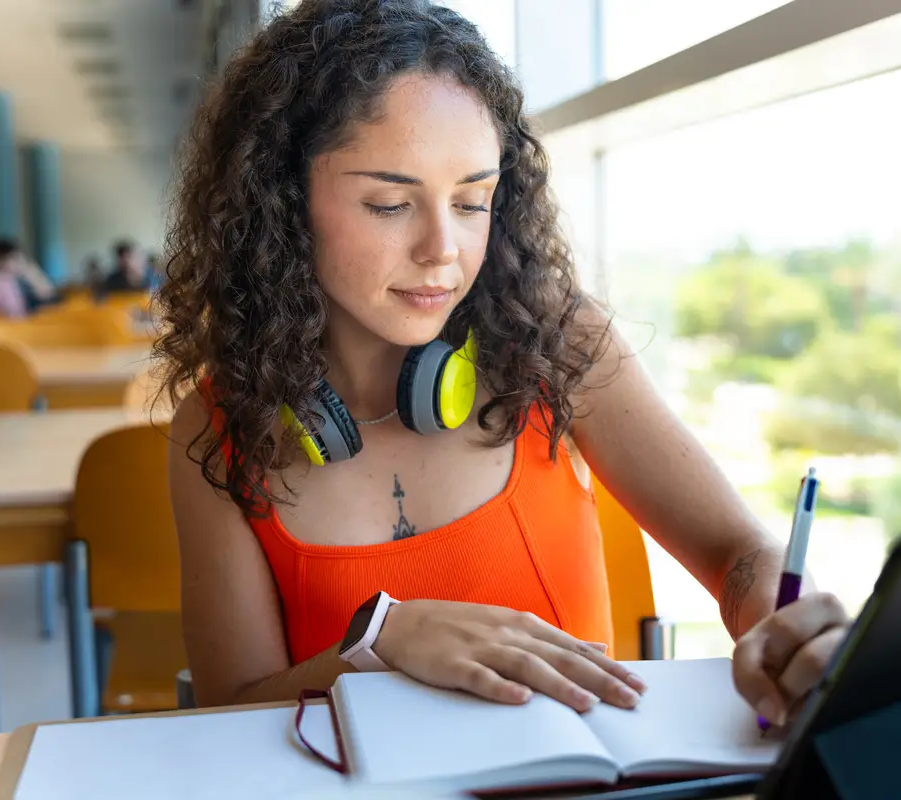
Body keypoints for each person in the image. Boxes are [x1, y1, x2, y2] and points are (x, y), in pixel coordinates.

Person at [157, 0, 850, 729]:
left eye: (472, 200)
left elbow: (740, 555)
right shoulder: (219, 424)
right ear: (283, 201)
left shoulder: (556, 343)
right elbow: (229, 710)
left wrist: (789, 620)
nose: (442, 250)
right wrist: (379, 647)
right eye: (391, 203)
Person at [0, 238, 58, 313]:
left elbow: (48, 294)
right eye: (10, 258)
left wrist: (32, 274)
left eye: (16, 258)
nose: (14, 263)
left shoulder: (26, 272)